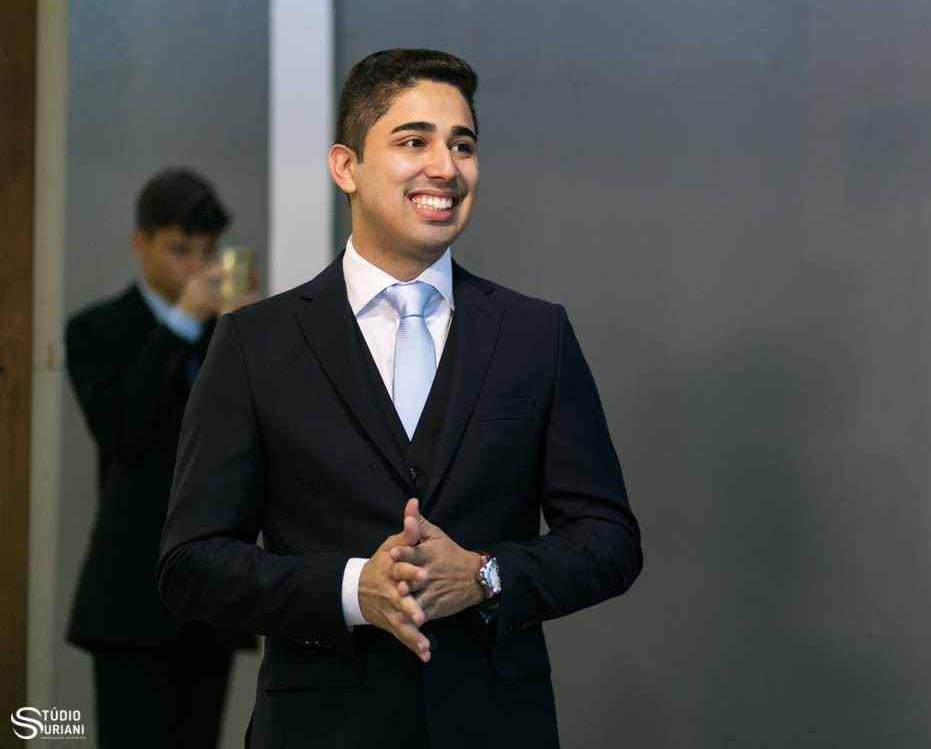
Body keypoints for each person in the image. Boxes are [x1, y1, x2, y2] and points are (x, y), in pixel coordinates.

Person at [157, 48, 642, 748]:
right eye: (414, 141)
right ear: (346, 167)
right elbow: (191, 564)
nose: (446, 167)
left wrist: (485, 576)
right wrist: (356, 590)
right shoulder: (254, 343)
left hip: (497, 728)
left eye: (463, 145)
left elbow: (610, 542)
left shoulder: (539, 336)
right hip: (321, 730)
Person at [65, 169, 256, 748]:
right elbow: (120, 427)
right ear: (139, 243)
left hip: (211, 593)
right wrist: (177, 325)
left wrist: (249, 334)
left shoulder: (226, 334)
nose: (197, 268)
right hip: (130, 596)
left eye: (206, 252)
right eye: (179, 250)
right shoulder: (98, 329)